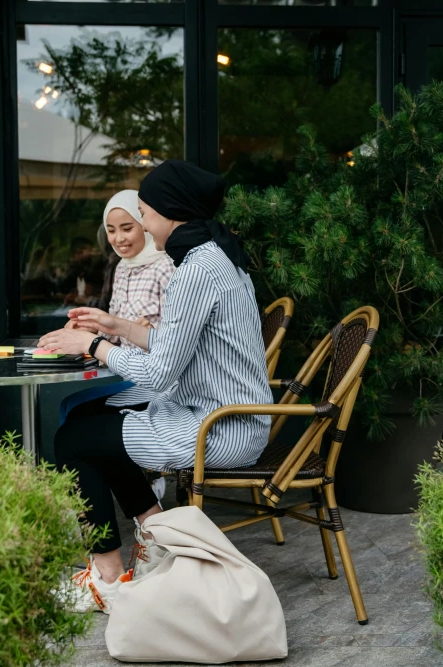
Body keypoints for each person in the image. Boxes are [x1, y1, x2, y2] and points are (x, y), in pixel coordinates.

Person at [39, 161, 272, 614]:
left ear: (170, 213)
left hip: (219, 429)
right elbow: (175, 340)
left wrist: (92, 345)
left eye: (144, 213)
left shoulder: (195, 271)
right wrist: (114, 325)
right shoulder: (213, 257)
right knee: (90, 422)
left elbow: (161, 372)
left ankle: (106, 578)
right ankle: (154, 532)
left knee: (72, 440)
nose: (142, 224)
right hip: (228, 417)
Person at [63, 189, 175, 414]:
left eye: (127, 228)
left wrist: (150, 332)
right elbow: (114, 333)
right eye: (111, 230)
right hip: (124, 373)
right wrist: (90, 328)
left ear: (145, 224)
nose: (119, 238)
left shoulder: (167, 266)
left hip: (158, 383)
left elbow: (179, 339)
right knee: (69, 405)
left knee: (74, 409)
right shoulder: (122, 267)